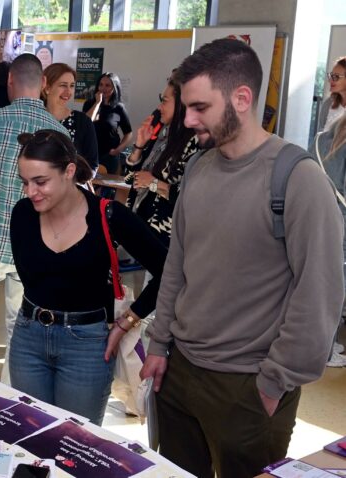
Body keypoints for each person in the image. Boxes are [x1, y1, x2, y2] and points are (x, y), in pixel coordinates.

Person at [140, 38, 344, 478]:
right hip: (178, 374)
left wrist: (273, 382)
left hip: (247, 388)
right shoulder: (198, 168)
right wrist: (160, 345)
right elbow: (178, 264)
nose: (188, 119)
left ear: (242, 98)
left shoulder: (298, 179)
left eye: (200, 107)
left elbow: (319, 295)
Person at [9, 130, 166, 424]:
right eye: (25, 182)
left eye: (41, 181)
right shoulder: (23, 215)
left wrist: (128, 321)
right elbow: (33, 280)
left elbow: (168, 271)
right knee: (31, 440)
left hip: (87, 344)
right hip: (28, 338)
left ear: (69, 171)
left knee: (76, 444)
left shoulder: (108, 215)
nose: (31, 192)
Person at [0, 53, 68, 380]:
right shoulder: (59, 133)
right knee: (18, 327)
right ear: (44, 84)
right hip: (33, 250)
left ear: (9, 81)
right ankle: (10, 399)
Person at [124, 76, 199, 246]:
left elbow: (191, 196)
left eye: (164, 101)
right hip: (140, 226)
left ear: (181, 104)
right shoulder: (163, 138)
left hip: (165, 237)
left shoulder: (195, 142)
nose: (159, 107)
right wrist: (139, 146)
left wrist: (154, 183)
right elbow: (131, 180)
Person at [311, 116, 346, 367]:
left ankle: (323, 345)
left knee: (326, 281)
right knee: (337, 284)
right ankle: (325, 350)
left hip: (322, 216)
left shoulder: (324, 137)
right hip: (342, 219)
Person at [42, 63, 98, 172]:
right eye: (63, 85)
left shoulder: (83, 122)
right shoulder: (35, 118)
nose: (68, 92)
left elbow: (92, 165)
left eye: (72, 86)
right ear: (47, 88)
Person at [82, 72, 132, 174]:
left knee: (106, 187)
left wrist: (118, 149)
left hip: (109, 155)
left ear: (115, 88)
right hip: (89, 153)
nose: (103, 88)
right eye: (101, 85)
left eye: (107, 85)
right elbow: (86, 123)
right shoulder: (89, 104)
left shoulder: (119, 108)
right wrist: (97, 103)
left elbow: (128, 133)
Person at [318, 56, 346, 133]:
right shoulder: (328, 103)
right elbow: (319, 138)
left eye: (336, 77)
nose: (330, 80)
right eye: (331, 75)